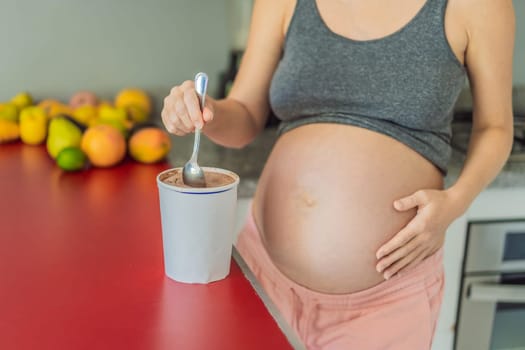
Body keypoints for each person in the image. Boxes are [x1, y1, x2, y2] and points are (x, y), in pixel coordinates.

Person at [161, 0, 515, 348]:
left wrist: (456, 202)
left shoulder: (478, 6)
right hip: (263, 273)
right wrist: (206, 112)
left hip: (384, 304)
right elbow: (245, 118)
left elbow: (495, 128)